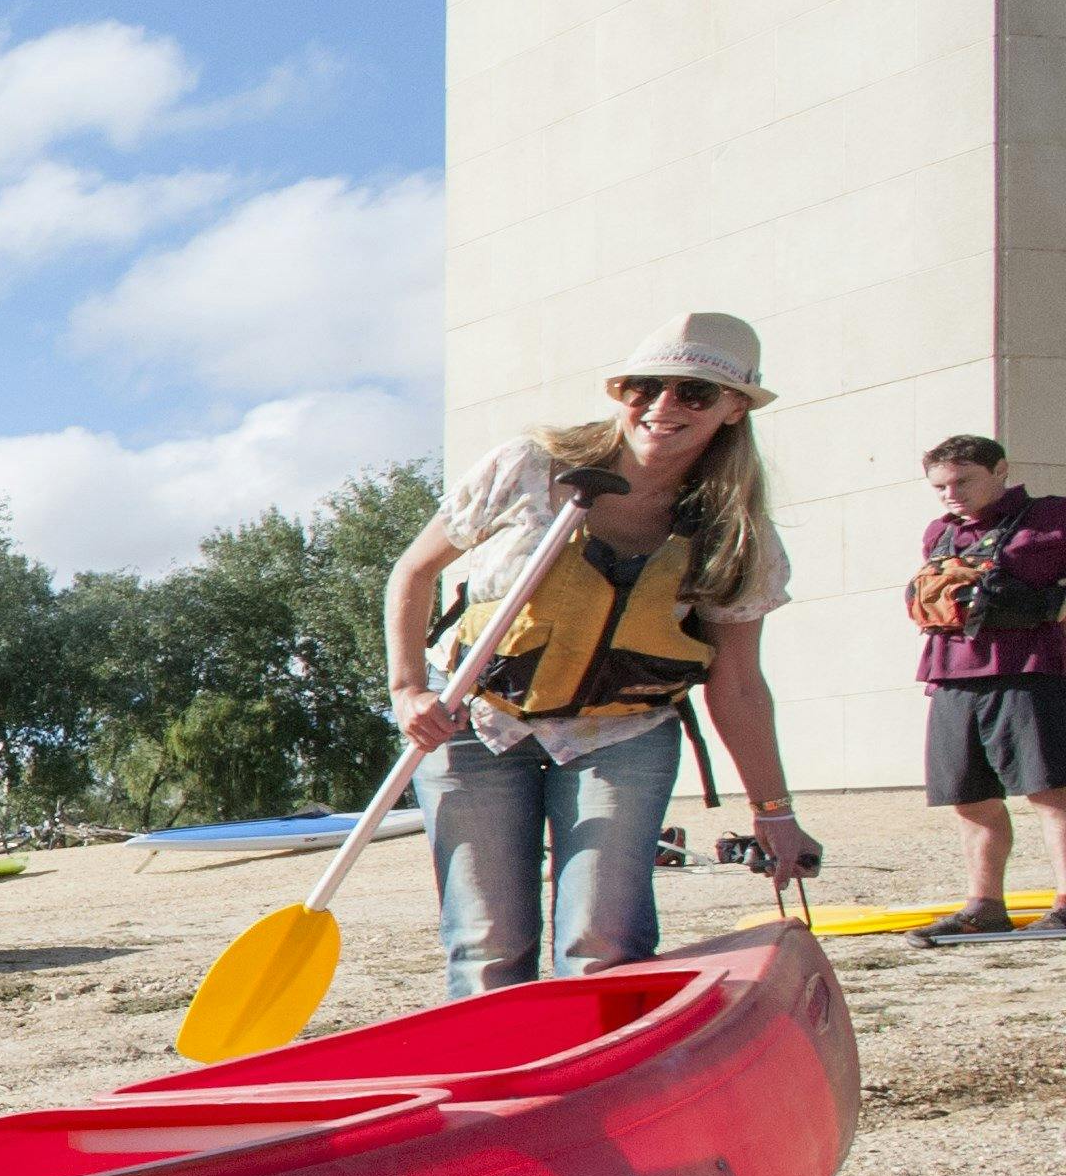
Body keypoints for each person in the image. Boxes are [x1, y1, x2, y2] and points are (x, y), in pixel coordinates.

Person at [380, 311, 818, 998]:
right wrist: (408, 689)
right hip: (474, 723)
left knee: (603, 944)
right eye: (645, 387)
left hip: (621, 733)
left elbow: (736, 684)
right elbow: (414, 571)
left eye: (694, 393)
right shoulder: (529, 465)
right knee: (487, 945)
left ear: (735, 408)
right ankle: (503, 1097)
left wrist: (774, 811)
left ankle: (600, 1087)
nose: (663, 406)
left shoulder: (737, 533)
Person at [905, 432, 1066, 939]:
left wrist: (1044, 606)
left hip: (1031, 670)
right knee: (968, 797)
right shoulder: (940, 533)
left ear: (1000, 470)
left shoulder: (1051, 517)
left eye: (962, 481)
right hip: (952, 674)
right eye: (940, 486)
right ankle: (984, 906)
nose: (951, 494)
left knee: (1051, 793)